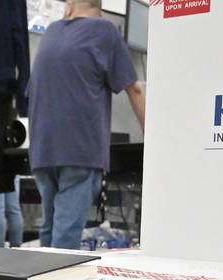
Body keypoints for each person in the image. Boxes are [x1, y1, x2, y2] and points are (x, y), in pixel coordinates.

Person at [27, 0, 145, 249]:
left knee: (50, 227)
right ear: (100, 12)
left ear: (68, 7)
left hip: (42, 151)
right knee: (67, 233)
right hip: (79, 149)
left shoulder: (51, 33)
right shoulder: (104, 29)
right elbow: (134, 88)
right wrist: (153, 138)